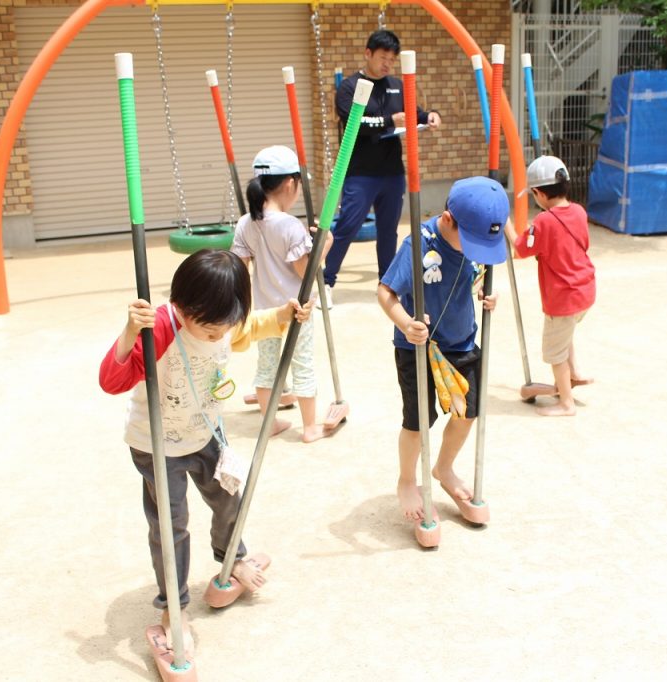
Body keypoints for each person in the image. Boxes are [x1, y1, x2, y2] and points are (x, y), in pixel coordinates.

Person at [98, 249, 312, 642]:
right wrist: (130, 332)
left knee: (229, 497)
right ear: (182, 307)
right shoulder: (160, 328)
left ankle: (233, 558)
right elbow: (112, 381)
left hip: (206, 434)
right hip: (158, 445)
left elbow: (250, 328)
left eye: (224, 329)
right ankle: (174, 606)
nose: (219, 337)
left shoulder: (225, 321)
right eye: (210, 331)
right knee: (171, 524)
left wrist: (284, 315)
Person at [377, 176, 506, 522]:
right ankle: (407, 480)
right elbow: (385, 292)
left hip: (461, 342)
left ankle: (444, 468)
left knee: (468, 412)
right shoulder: (419, 244)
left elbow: (476, 273)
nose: (476, 251)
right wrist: (406, 323)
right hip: (417, 346)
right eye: (472, 243)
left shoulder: (474, 243)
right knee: (418, 421)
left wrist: (486, 293)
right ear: (448, 219)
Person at [323, 29, 443, 308]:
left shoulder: (397, 86)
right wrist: (389, 120)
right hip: (360, 172)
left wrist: (430, 115)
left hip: (392, 172)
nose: (387, 64)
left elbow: (415, 113)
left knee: (388, 231)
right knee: (347, 226)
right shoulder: (350, 87)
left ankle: (387, 285)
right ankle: (326, 281)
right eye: (382, 58)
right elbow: (354, 123)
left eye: (392, 59)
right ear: (368, 54)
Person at [231, 145, 334, 443]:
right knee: (302, 364)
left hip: (264, 312)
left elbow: (239, 268)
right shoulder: (290, 225)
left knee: (267, 366)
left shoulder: (245, 222)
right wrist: (325, 243)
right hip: (296, 310)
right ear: (290, 183)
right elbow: (305, 272)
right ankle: (310, 427)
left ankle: (269, 422)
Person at [505, 156, 595, 417]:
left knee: (555, 352)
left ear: (539, 193)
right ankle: (575, 373)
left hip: (563, 297)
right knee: (565, 334)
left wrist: (507, 224)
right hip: (585, 290)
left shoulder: (544, 222)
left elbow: (521, 249)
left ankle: (566, 403)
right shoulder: (579, 211)